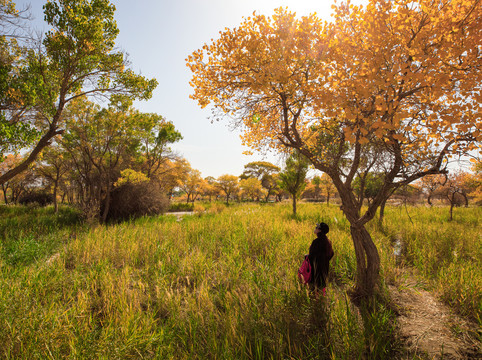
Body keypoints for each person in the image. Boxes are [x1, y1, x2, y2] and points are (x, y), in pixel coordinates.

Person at [308, 222, 334, 296]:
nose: (315, 228)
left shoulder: (316, 242)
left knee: (314, 288)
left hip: (315, 269)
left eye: (316, 228)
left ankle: (315, 302)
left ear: (320, 231)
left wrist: (307, 256)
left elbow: (311, 256)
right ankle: (322, 300)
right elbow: (331, 254)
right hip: (324, 268)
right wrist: (324, 260)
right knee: (322, 287)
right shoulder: (328, 242)